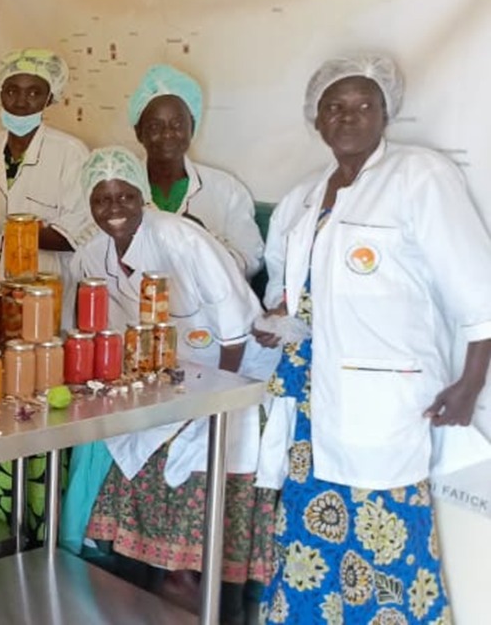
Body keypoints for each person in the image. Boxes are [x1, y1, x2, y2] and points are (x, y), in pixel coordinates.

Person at [256, 54, 491, 624]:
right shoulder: (305, 197)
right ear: (317, 121)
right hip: (309, 403)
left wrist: (470, 382)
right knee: (310, 544)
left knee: (386, 542)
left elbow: (476, 288)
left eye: (364, 105)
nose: (349, 117)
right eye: (335, 107)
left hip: (385, 405)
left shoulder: (420, 177)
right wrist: (278, 320)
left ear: (386, 113)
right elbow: (290, 286)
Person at [66, 147, 277, 614]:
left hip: (234, 368)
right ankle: (153, 574)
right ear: (90, 205)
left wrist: (217, 396)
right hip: (166, 377)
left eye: (125, 196)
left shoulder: (181, 239)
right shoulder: (89, 257)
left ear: (143, 197)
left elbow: (235, 323)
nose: (115, 208)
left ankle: (197, 580)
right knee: (134, 439)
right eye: (103, 199)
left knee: (204, 445)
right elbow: (85, 327)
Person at [0, 48, 93, 285]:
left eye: (34, 92)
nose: (21, 102)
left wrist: (4, 226)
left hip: (42, 290)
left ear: (49, 98)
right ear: (0, 94)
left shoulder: (71, 154)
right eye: (12, 91)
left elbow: (71, 238)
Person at [127, 64, 263, 277]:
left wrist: (206, 241)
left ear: (192, 127)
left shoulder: (227, 191)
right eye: (155, 126)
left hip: (206, 308)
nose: (168, 135)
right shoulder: (119, 190)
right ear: (138, 132)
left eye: (177, 124)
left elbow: (249, 261)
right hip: (137, 304)